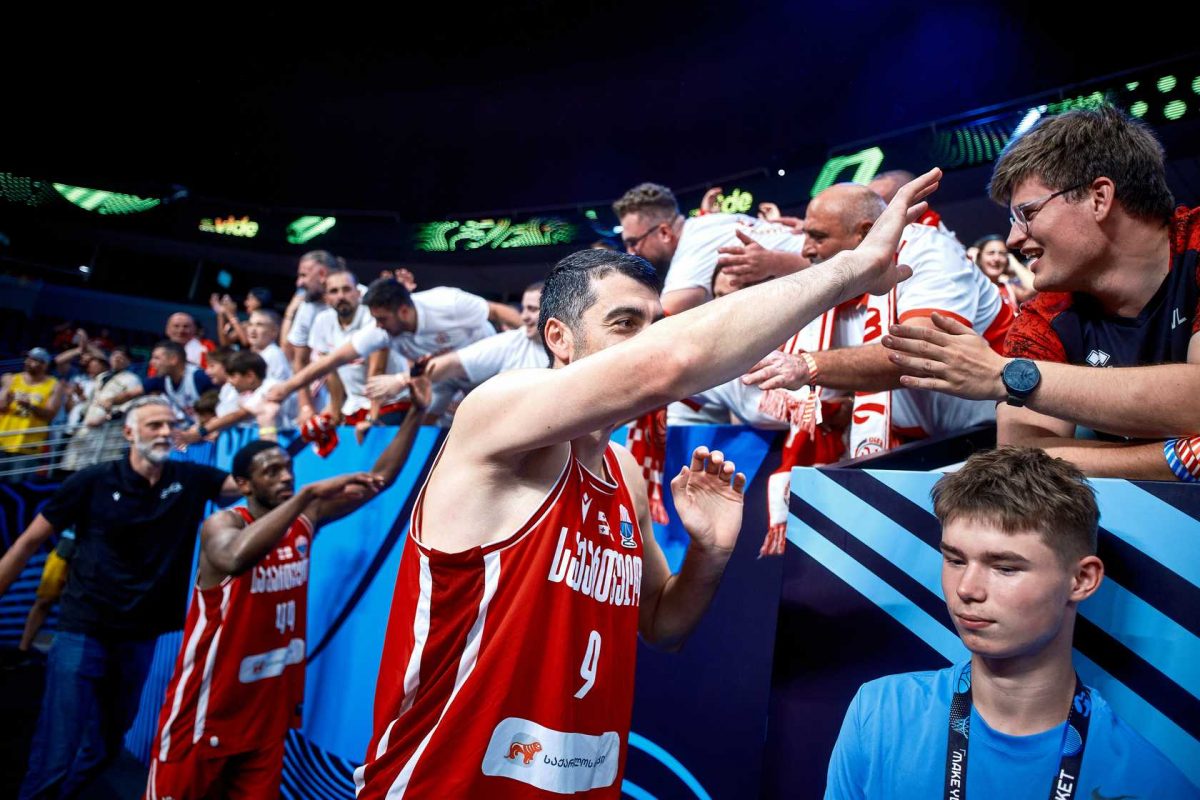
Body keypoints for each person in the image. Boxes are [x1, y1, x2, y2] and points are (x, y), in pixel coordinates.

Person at [354, 170, 942, 798]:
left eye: (654, 324)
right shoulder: (496, 415)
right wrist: (850, 269)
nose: (646, 341)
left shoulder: (624, 472)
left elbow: (664, 625)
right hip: (447, 783)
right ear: (559, 338)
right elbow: (672, 362)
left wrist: (710, 554)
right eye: (624, 323)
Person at [824, 446, 1198, 799]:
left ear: (1082, 580)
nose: (966, 589)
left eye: (1004, 568)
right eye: (955, 560)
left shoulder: (1149, 784)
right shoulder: (879, 715)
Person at [144, 379, 431, 800]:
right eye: (272, 472)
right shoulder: (224, 524)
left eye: (287, 469)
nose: (286, 477)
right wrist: (306, 495)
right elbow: (236, 557)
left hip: (266, 714)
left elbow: (380, 479)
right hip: (206, 711)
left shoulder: (302, 521)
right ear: (244, 484)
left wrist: (416, 414)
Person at [881, 104, 1200, 479]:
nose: (1013, 239)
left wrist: (1005, 375)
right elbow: (1022, 457)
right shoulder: (1044, 314)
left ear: (1099, 198)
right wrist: (1178, 458)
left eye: (1027, 214)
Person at [0, 396, 240, 798]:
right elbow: (27, 543)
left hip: (139, 635)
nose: (165, 432)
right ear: (129, 433)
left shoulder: (190, 478)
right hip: (83, 629)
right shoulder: (91, 480)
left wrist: (267, 417)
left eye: (170, 425)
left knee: (106, 744)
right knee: (58, 748)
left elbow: (249, 481)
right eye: (154, 425)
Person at [742, 182, 1012, 455]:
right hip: (912, 444)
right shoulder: (838, 276)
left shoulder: (929, 251)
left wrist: (807, 365)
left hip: (993, 435)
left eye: (818, 237)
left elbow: (922, 355)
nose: (806, 251)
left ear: (865, 233)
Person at [613, 181, 809, 313]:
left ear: (665, 232)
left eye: (633, 242)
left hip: (820, 292)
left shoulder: (693, 247)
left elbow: (659, 321)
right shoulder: (709, 223)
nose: (631, 252)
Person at [0, 348, 65, 480]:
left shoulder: (54, 385)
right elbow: (1, 406)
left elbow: (50, 415)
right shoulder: (11, 379)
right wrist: (7, 395)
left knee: (17, 487)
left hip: (28, 447)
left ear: (45, 365)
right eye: (29, 358)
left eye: (35, 360)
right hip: (3, 440)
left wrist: (30, 406)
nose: (30, 362)